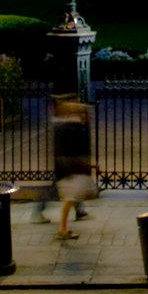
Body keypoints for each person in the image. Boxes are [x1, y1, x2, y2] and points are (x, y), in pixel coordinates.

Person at [50, 98, 98, 240]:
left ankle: (66, 226)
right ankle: (63, 229)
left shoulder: (70, 126)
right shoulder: (68, 128)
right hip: (69, 171)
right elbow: (68, 150)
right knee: (69, 199)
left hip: (70, 170)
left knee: (71, 198)